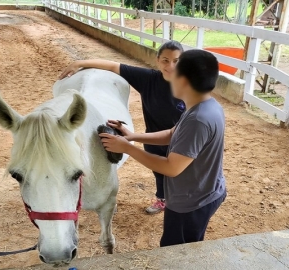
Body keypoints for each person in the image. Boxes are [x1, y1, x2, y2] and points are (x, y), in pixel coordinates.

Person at [99, 49, 227, 247]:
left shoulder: (198, 120)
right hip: (204, 191)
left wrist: (128, 148)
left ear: (183, 81)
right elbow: (171, 134)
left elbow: (171, 167)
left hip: (191, 203)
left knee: (177, 251)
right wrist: (132, 136)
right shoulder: (204, 105)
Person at [59, 41, 185, 215]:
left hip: (182, 138)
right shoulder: (148, 79)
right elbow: (113, 66)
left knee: (179, 171)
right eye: (165, 60)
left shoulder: (189, 85)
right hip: (152, 139)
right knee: (159, 170)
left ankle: (180, 199)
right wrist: (79, 63)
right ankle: (162, 199)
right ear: (157, 60)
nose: (170, 66)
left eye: (176, 61)